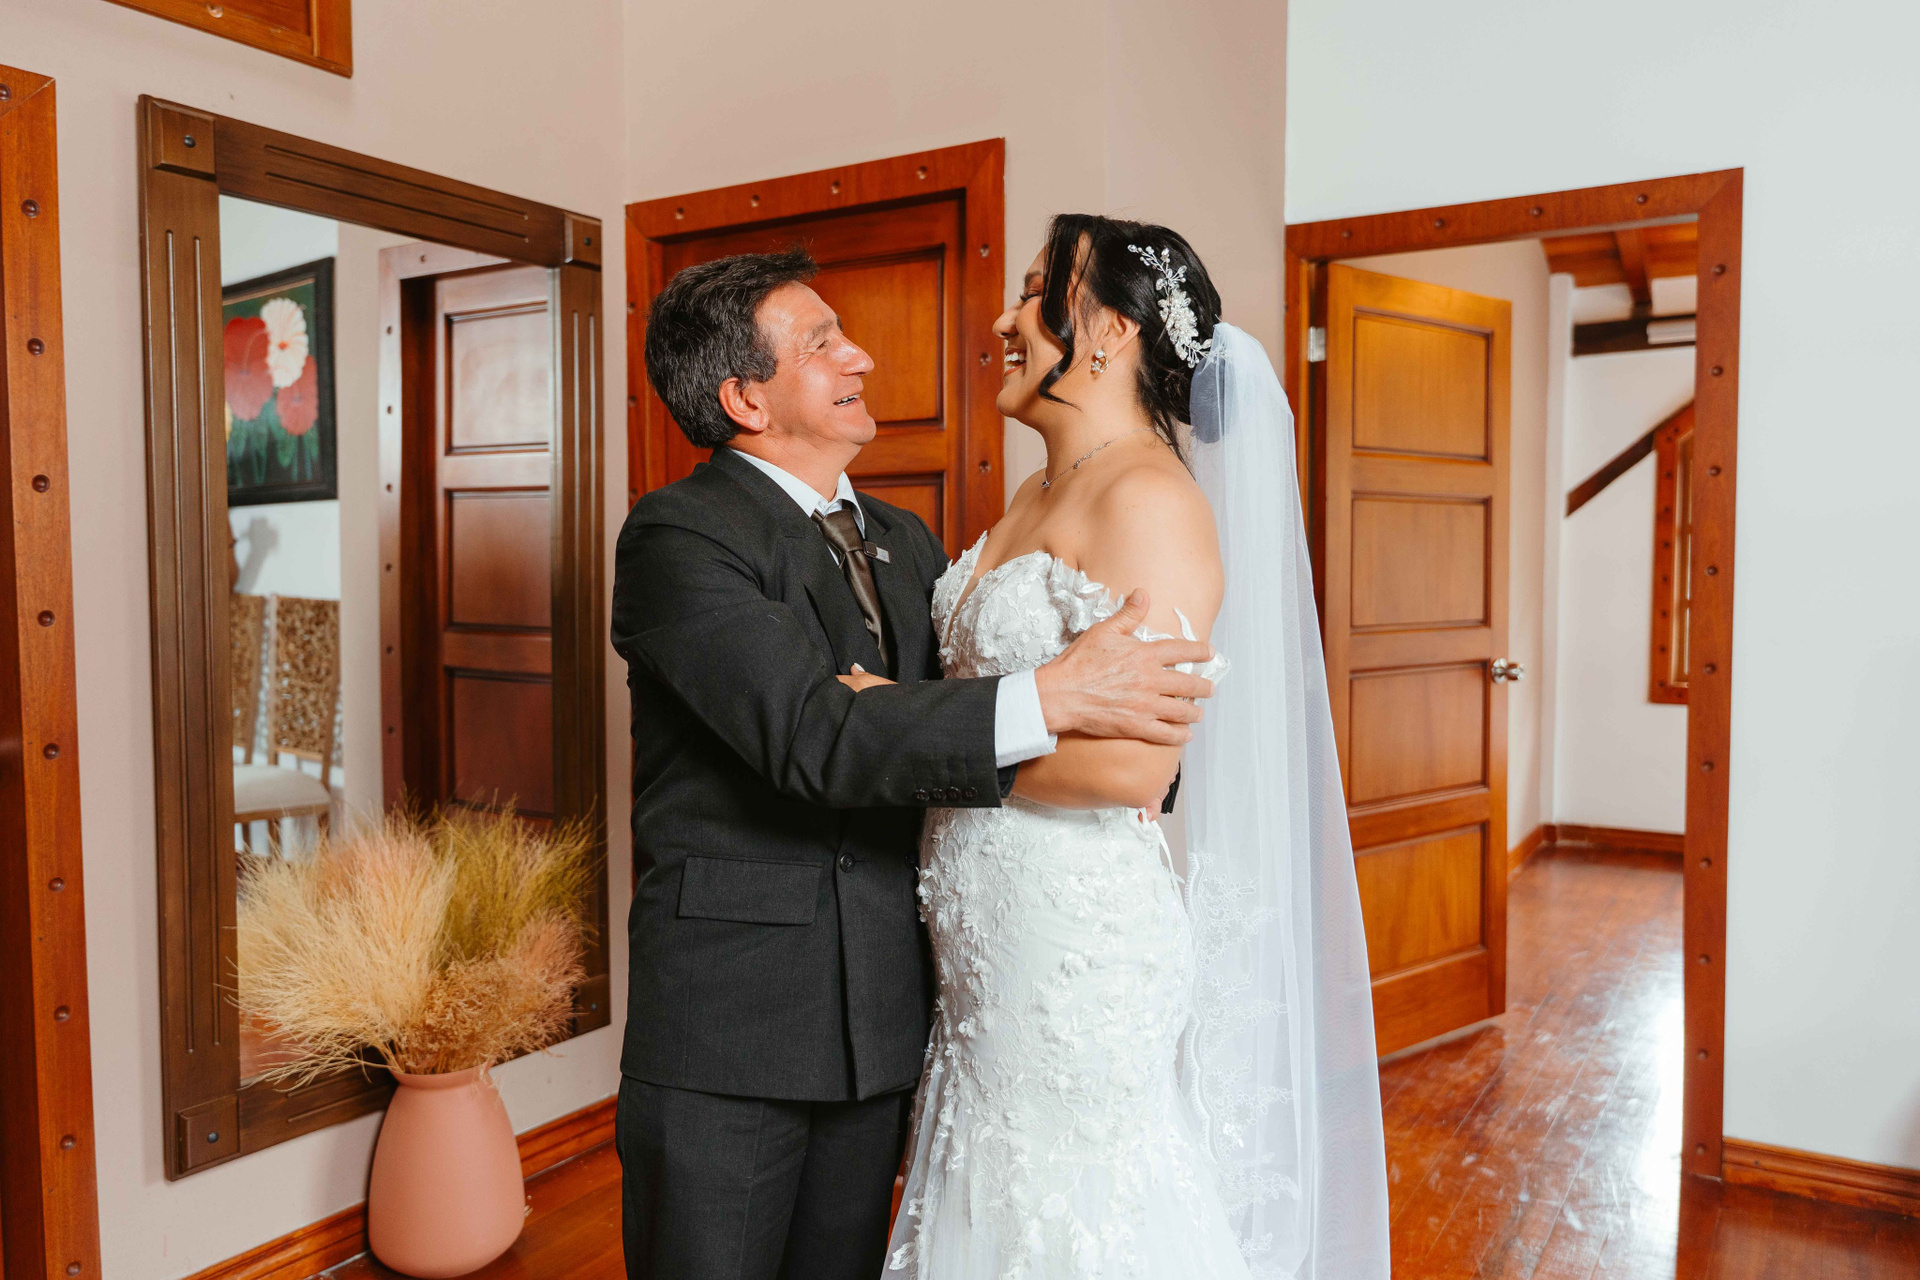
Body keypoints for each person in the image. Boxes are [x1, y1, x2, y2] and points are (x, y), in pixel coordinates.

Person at [610, 247, 1219, 1280]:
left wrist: (1128, 756)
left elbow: (942, 720)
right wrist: (1055, 696)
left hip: (893, 1021)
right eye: (821, 343)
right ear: (745, 398)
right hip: (735, 1031)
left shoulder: (906, 539)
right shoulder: (679, 536)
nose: (861, 355)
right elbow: (817, 737)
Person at [880, 215, 1392, 1279]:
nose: (1005, 319)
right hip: (989, 942)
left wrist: (899, 728)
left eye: (1036, 294)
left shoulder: (1150, 499)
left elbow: (1131, 769)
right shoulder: (1037, 491)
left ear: (1111, 330)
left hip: (1072, 946)